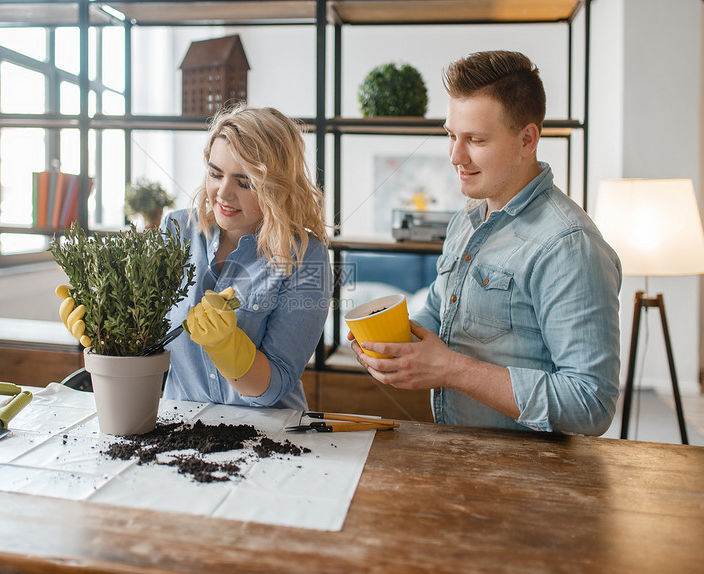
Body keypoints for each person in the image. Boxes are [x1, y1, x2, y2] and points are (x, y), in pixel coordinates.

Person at [350, 50, 622, 436]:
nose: (455, 156)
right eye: (451, 136)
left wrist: (450, 369)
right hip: (464, 458)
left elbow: (590, 404)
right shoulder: (467, 218)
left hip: (531, 479)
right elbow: (439, 315)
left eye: (475, 140)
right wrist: (392, 349)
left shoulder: (569, 245)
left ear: (527, 139)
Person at [61, 104, 331, 410]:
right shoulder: (178, 231)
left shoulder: (306, 257)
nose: (223, 193)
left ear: (277, 188)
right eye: (216, 174)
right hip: (180, 424)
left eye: (245, 183)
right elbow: (147, 336)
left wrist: (228, 348)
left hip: (271, 435)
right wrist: (103, 327)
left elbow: (276, 384)